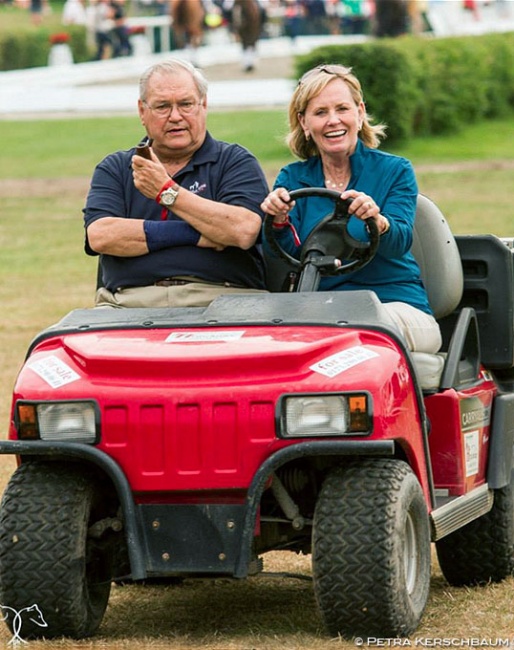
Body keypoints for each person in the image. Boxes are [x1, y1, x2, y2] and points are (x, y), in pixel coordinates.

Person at [260, 64, 441, 354]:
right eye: (320, 113)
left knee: (356, 332)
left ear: (359, 112)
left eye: (342, 109)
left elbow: (400, 241)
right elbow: (286, 256)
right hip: (324, 311)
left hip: (394, 305)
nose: (333, 121)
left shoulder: (395, 170)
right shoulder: (292, 178)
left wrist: (378, 222)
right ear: (304, 123)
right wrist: (278, 220)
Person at [83, 58, 268, 309]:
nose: (175, 116)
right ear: (142, 111)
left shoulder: (234, 161)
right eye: (162, 106)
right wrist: (197, 234)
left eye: (186, 104)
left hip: (224, 301)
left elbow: (243, 230)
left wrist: (166, 192)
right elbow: (101, 235)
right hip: (129, 303)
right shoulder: (116, 167)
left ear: (204, 105)